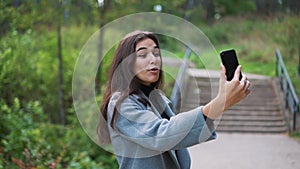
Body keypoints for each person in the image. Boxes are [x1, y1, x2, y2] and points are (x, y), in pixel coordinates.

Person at [98, 30, 251, 169]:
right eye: (143, 55)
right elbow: (162, 134)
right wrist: (220, 102)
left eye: (156, 53)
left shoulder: (157, 98)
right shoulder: (121, 103)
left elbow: (175, 136)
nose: (153, 60)